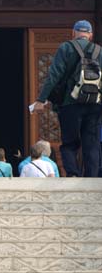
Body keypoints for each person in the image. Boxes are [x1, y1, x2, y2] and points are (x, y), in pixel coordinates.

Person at [31, 20, 102, 177]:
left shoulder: (66, 48)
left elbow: (54, 76)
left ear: (73, 33)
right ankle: (92, 178)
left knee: (69, 143)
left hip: (70, 104)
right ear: (90, 35)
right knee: (92, 144)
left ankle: (73, 174)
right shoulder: (99, 51)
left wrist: (41, 100)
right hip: (95, 105)